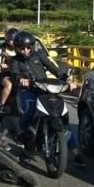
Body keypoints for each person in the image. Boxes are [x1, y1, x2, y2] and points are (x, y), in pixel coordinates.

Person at [9, 31, 86, 168]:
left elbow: (53, 68)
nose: (26, 50)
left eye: (28, 47)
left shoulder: (39, 55)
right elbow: (14, 75)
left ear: (32, 46)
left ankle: (75, 154)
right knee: (31, 109)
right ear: (17, 48)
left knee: (60, 114)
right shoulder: (14, 60)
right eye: (23, 48)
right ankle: (22, 132)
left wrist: (66, 79)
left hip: (45, 89)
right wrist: (21, 80)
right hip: (27, 91)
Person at [0, 28, 19, 107]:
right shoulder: (2, 51)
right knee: (8, 85)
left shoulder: (20, 50)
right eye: (12, 40)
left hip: (18, 74)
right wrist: (0, 65)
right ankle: (1, 104)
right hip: (6, 74)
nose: (14, 42)